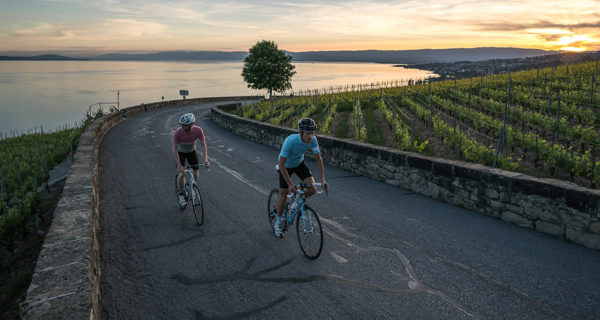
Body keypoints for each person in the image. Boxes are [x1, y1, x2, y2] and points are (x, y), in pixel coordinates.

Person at [271, 118, 329, 238]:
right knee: (283, 194)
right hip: (285, 166)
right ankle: (278, 223)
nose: (310, 136)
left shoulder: (313, 141)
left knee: (312, 189)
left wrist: (323, 180)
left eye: (312, 133)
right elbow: (281, 165)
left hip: (299, 163)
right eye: (308, 133)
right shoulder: (290, 141)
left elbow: (318, 159)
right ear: (301, 132)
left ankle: (294, 204)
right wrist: (291, 184)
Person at [173, 112, 210, 207]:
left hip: (191, 151)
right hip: (180, 152)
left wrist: (206, 160)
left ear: (191, 124)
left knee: (196, 171)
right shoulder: (178, 132)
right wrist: (178, 165)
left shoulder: (198, 130)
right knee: (182, 173)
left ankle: (192, 186)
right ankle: (181, 194)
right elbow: (174, 149)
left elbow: (203, 145)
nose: (183, 127)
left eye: (185, 125)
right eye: (182, 125)